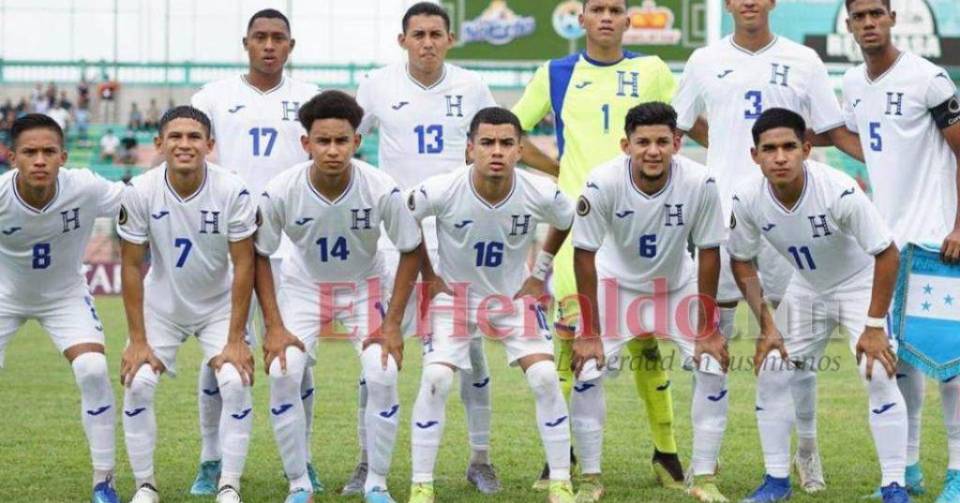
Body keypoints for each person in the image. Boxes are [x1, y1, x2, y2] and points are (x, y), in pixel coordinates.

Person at [671, 0, 867, 491]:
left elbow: (828, 130)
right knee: (711, 344)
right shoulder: (703, 59)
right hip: (721, 218)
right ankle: (704, 463)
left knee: (793, 351)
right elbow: (680, 123)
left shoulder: (804, 59)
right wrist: (725, 146)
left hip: (788, 222)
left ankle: (806, 453)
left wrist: (893, 158)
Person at [511, 0, 684, 489]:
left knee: (645, 338)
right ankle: (560, 455)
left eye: (615, 9)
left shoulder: (652, 70)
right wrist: (558, 171)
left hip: (639, 225)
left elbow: (680, 128)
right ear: (581, 19)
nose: (606, 16)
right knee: (571, 339)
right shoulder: (556, 72)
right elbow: (511, 130)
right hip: (576, 227)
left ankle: (667, 452)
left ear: (628, 20)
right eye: (597, 9)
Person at [350, 1, 500, 495]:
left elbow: (492, 145)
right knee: (378, 349)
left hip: (458, 234)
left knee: (469, 351)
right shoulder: (376, 85)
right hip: (395, 236)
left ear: (450, 39)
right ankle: (366, 462)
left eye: (437, 34)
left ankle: (480, 459)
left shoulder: (473, 87)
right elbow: (349, 144)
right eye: (419, 34)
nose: (428, 43)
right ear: (403, 40)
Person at [728, 108, 909, 503]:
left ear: (806, 149)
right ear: (755, 155)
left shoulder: (837, 189)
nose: (780, 157)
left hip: (859, 284)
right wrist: (767, 326)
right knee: (772, 367)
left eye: (789, 147)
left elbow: (887, 253)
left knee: (877, 371)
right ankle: (776, 481)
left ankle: (894, 486)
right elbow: (740, 259)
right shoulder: (746, 197)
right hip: (807, 287)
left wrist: (874, 325)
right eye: (769, 149)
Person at [255, 90, 422, 503]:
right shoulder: (280, 190)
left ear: (357, 141)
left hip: (365, 287)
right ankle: (298, 484)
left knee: (382, 371)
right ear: (306, 143)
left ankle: (377, 483)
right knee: (283, 371)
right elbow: (259, 254)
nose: (333, 150)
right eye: (323, 141)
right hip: (304, 288)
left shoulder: (381, 188)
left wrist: (392, 324)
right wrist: (274, 326)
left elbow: (410, 248)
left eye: (341, 141)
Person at [406, 107, 576, 503]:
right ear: (470, 149)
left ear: (519, 150)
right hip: (455, 299)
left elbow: (565, 219)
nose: (496, 151)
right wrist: (429, 275)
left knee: (545, 377)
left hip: (512, 298)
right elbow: (405, 217)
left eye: (505, 143)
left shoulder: (540, 191)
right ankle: (421, 484)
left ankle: (561, 482)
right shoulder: (442, 189)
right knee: (436, 378)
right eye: (486, 143)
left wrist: (540, 273)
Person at [569, 102, 730, 503]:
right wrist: (588, 331)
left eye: (662, 141)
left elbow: (710, 251)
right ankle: (590, 477)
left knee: (712, 364)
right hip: (615, 286)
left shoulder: (700, 182)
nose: (653, 151)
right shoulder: (602, 182)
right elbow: (584, 254)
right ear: (626, 145)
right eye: (643, 142)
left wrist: (707, 328)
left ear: (677, 143)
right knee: (587, 367)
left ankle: (704, 477)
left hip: (676, 286)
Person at [190, 8, 322, 494]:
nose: (269, 45)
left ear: (291, 46)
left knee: (295, 357)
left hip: (293, 247)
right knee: (222, 354)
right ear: (245, 43)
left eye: (278, 38)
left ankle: (302, 460)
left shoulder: (310, 98)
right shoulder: (212, 97)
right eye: (260, 37)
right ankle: (211, 459)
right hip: (229, 246)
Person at [841, 1, 960, 500]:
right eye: (860, 16)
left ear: (892, 18)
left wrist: (959, 226)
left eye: (877, 13)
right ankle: (908, 469)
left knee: (952, 366)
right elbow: (870, 143)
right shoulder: (852, 83)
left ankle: (957, 473)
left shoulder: (928, 78)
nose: (869, 23)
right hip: (888, 246)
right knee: (902, 362)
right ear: (849, 25)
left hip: (937, 242)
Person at [117, 106, 257, 503]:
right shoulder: (139, 190)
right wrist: (137, 340)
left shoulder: (232, 189)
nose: (184, 144)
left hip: (219, 306)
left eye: (194, 137)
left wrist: (236, 338)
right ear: (159, 143)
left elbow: (245, 263)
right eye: (175, 136)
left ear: (209, 145)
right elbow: (131, 265)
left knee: (235, 381)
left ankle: (229, 484)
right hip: (162, 307)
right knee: (138, 383)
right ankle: (145, 486)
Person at [0, 114, 121, 503]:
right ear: (12, 157)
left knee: (93, 368)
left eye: (49, 151)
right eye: (29, 152)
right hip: (4, 295)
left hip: (65, 295)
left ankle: (104, 480)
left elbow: (140, 201)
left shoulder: (85, 187)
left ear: (63, 157)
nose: (40, 160)